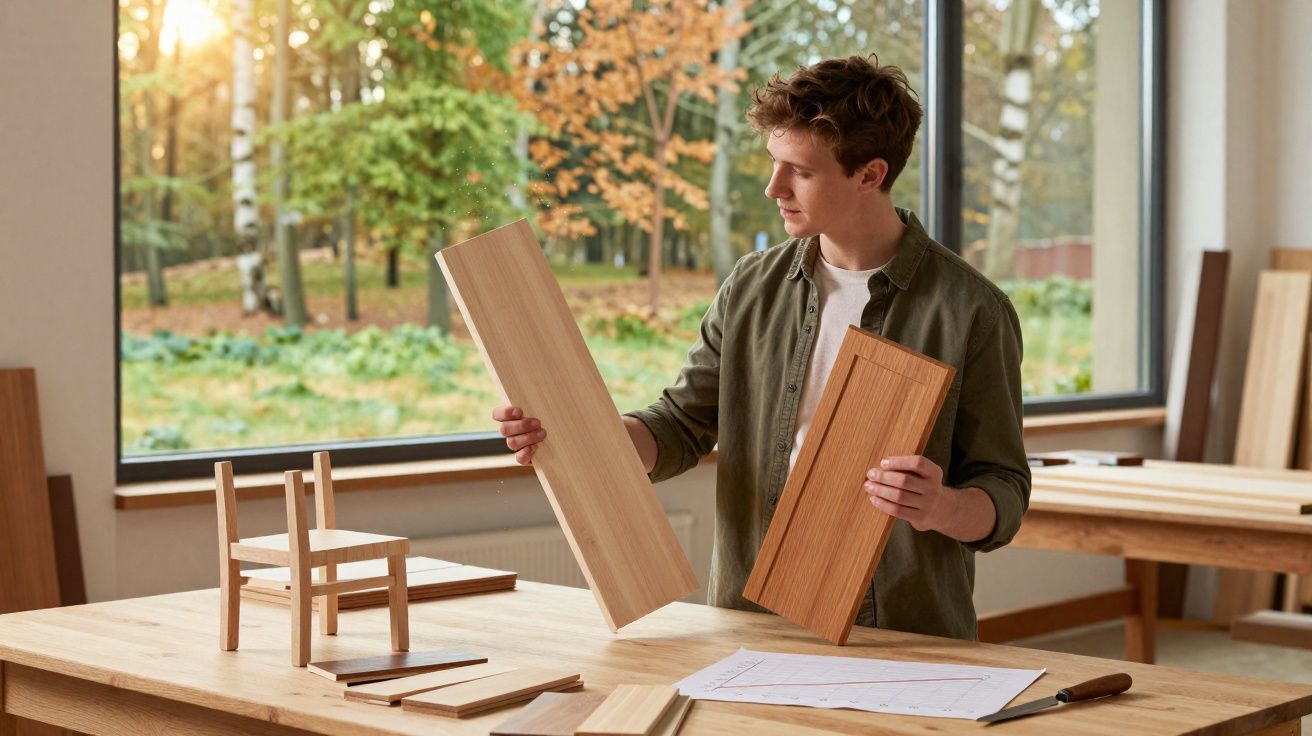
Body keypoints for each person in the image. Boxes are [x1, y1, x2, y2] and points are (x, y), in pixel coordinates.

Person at [492, 55, 1029, 640]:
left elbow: (1003, 489)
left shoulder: (971, 311)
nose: (774, 188)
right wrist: (581, 435)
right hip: (751, 626)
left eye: (799, 171)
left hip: (903, 632)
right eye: (774, 163)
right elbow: (678, 427)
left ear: (870, 174)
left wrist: (940, 506)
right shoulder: (751, 286)